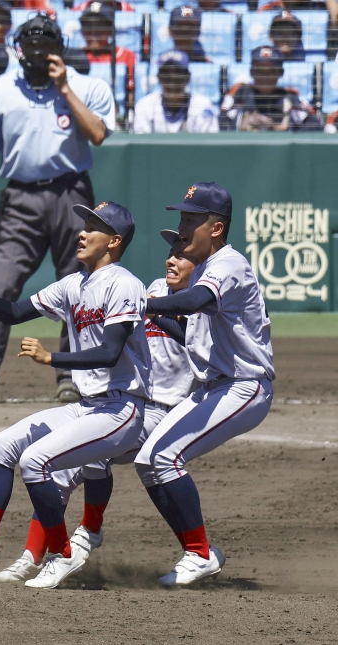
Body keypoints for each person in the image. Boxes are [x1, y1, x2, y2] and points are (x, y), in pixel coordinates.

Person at [0, 201, 151, 589]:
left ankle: (61, 555)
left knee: (36, 461)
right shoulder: (74, 284)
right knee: (4, 443)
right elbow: (13, 312)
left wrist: (52, 357)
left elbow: (110, 353)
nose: (82, 232)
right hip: (88, 407)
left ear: (115, 241)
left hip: (121, 410)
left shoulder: (124, 284)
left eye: (94, 227)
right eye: (84, 224)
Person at [0, 229, 198, 582]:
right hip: (128, 402)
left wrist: (153, 310)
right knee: (56, 465)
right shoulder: (149, 289)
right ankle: (31, 555)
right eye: (171, 251)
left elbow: (194, 342)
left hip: (166, 411)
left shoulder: (201, 302)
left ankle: (89, 529)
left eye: (182, 254)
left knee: (90, 454)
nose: (172, 258)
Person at [0, 14, 116, 405]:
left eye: (47, 43)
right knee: (1, 281)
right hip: (21, 197)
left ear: (59, 47)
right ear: (18, 48)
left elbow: (97, 133)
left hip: (71, 192)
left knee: (79, 284)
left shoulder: (86, 85)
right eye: (31, 43)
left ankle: (73, 376)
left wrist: (64, 87)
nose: (39, 50)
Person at [137, 182, 275, 586]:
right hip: (215, 386)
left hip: (244, 386)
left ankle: (198, 555)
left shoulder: (227, 265)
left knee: (166, 457)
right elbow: (190, 334)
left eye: (190, 219)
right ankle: (199, 552)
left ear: (215, 228)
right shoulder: (211, 269)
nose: (181, 229)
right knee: (149, 461)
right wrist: (146, 315)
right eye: (181, 218)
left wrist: (143, 304)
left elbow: (194, 302)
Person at [220, 46, 322, 131]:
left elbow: (314, 125)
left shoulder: (289, 97)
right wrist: (242, 126)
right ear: (251, 72)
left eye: (271, 72)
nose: (265, 77)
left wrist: (277, 130)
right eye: (260, 71)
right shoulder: (240, 93)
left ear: (280, 73)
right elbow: (222, 122)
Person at [132, 50, 219, 133]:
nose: (172, 83)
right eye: (167, 77)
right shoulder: (145, 106)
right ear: (159, 78)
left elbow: (208, 145)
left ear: (188, 77)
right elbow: (141, 146)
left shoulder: (202, 106)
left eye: (178, 76)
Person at [79, 2, 136, 95]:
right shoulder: (75, 57)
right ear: (81, 31)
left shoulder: (126, 56)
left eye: (100, 26)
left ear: (111, 30)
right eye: (88, 26)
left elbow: (130, 92)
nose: (93, 32)